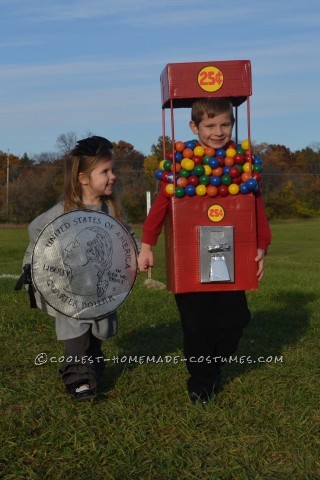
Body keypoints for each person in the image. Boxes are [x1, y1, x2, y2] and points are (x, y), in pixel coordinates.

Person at [138, 98, 271, 405]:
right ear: (194, 127)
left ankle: (213, 364)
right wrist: (147, 245)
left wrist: (261, 247)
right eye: (210, 125)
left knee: (236, 318)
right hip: (188, 260)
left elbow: (256, 208)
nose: (218, 131)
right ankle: (202, 382)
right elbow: (161, 207)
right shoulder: (181, 163)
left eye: (225, 124)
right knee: (196, 324)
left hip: (231, 258)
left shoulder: (241, 164)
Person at [22, 136, 140, 401]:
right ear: (84, 178)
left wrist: (140, 252)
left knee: (97, 327)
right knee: (75, 329)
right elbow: (36, 228)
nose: (112, 177)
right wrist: (40, 261)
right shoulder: (65, 210)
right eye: (105, 172)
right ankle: (79, 380)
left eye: (113, 171)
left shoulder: (111, 209)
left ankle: (93, 365)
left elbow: (127, 238)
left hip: (99, 286)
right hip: (71, 287)